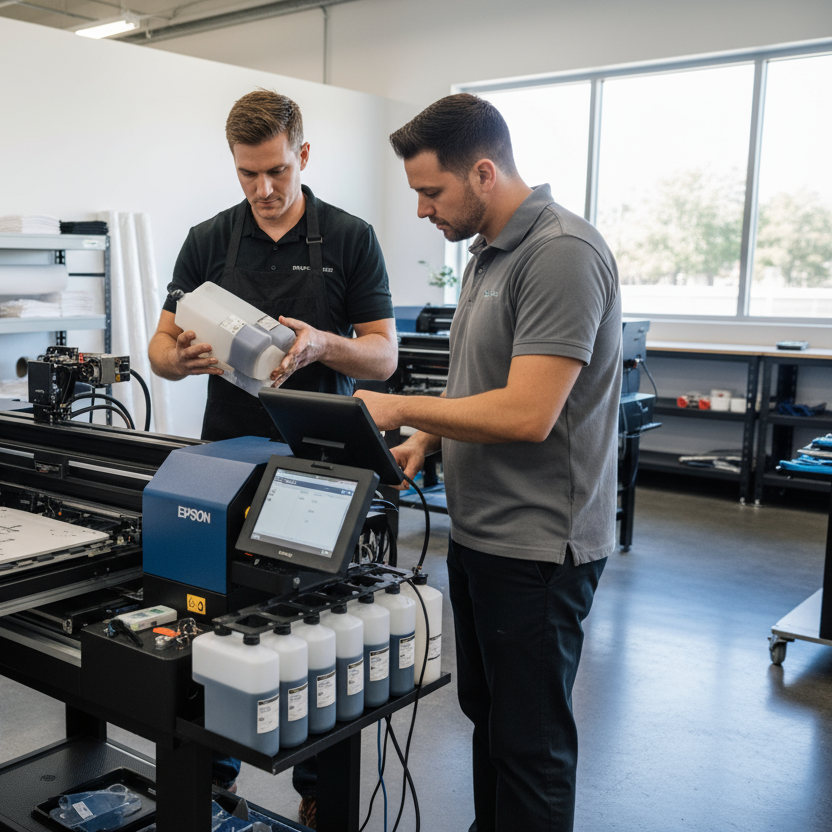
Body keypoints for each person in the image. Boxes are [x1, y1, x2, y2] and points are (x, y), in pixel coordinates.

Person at [355, 94, 620, 832]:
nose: (420, 210)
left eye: (429, 192)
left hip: (538, 545)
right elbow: (482, 387)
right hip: (481, 532)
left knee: (529, 744)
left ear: (481, 172)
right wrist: (427, 441)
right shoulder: (485, 254)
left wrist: (402, 408)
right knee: (491, 721)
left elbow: (528, 414)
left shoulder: (561, 252)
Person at [148, 89, 397, 442]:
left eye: (277, 171)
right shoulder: (207, 239)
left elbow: (385, 358)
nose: (263, 189)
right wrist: (178, 360)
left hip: (324, 448)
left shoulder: (351, 237)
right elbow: (160, 345)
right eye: (247, 173)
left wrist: (322, 346)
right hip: (228, 446)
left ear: (303, 155)